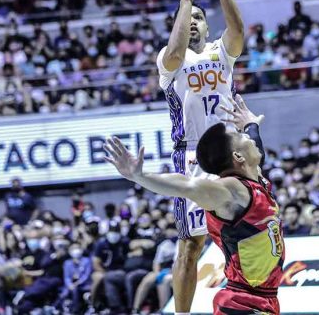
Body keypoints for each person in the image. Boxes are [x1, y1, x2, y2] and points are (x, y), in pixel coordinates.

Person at [103, 95, 284, 315]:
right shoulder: (230, 191)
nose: (249, 137)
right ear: (238, 155)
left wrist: (250, 124)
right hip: (243, 303)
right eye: (241, 135)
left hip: (265, 300)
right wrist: (140, 176)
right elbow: (186, 185)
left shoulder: (256, 178)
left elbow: (257, 152)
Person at [155, 0, 245, 314]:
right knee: (190, 245)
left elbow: (238, 31)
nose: (192, 23)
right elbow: (176, 53)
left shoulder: (220, 53)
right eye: (186, 19)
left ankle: (243, 305)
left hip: (231, 153)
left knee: (240, 238)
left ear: (207, 27)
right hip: (191, 155)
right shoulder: (167, 58)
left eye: (198, 19)